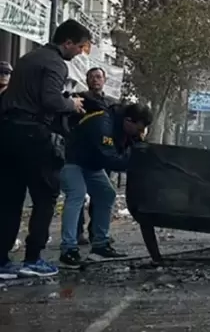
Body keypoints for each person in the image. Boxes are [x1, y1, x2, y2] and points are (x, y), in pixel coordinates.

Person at [0, 20, 91, 279]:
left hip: (8, 132)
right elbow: (50, 100)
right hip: (34, 135)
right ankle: (33, 259)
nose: (80, 52)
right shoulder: (56, 63)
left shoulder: (28, 58)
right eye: (80, 47)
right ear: (68, 42)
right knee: (45, 197)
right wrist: (72, 104)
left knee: (9, 199)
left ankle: (2, 261)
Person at [59, 101, 152, 268]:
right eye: (138, 129)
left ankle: (100, 244)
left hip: (91, 164)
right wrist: (134, 160)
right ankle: (68, 248)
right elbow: (111, 159)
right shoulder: (102, 124)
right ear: (128, 121)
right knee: (76, 194)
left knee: (106, 194)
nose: (139, 133)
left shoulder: (124, 127)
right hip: (71, 160)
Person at [74, 68, 113, 247]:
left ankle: (97, 232)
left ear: (104, 80)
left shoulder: (110, 103)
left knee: (101, 196)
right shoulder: (80, 100)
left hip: (103, 154)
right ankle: (77, 233)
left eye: (98, 77)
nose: (95, 80)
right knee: (78, 195)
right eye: (91, 77)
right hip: (82, 154)